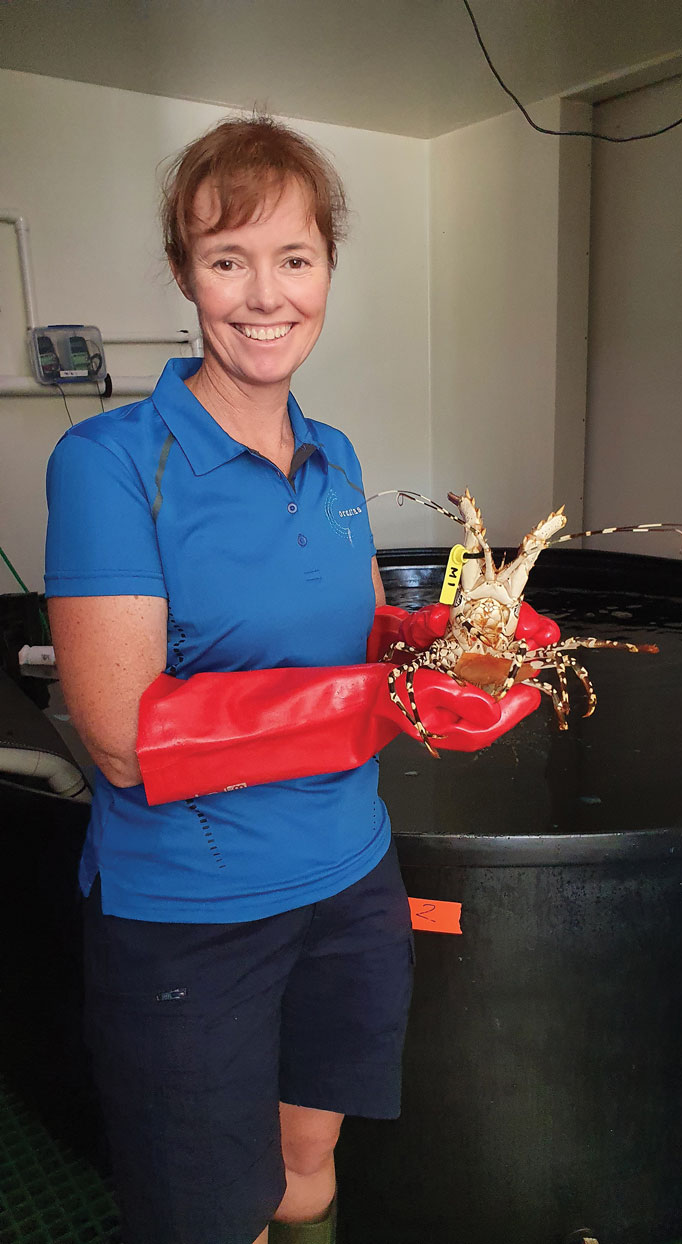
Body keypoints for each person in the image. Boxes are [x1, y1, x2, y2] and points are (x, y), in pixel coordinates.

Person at [44, 115, 556, 1244]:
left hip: (349, 881)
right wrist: (384, 699)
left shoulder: (335, 455)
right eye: (227, 259)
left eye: (294, 258)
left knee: (309, 1155)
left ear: (327, 270)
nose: (264, 295)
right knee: (211, 1213)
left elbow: (325, 637)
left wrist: (438, 645)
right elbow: (126, 736)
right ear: (184, 273)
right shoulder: (110, 462)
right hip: (192, 915)